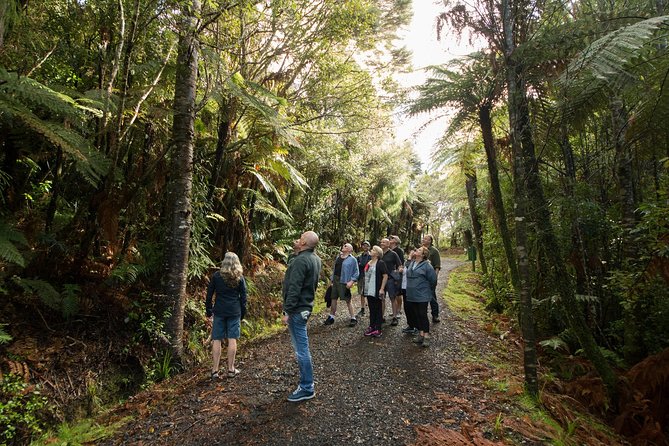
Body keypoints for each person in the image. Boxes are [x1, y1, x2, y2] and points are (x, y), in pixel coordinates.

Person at [282, 231, 322, 402]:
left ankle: (307, 387)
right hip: (305, 307)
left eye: (300, 237)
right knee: (302, 347)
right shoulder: (314, 259)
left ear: (304, 242)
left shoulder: (301, 261)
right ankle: (307, 383)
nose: (297, 239)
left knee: (301, 349)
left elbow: (294, 288)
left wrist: (287, 310)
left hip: (298, 309)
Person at [205, 252, 248, 380]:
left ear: (224, 262)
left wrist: (209, 311)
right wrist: (242, 313)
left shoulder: (217, 276)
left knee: (216, 339)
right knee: (232, 338)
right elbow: (244, 298)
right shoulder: (239, 277)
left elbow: (209, 295)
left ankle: (215, 371)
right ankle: (231, 369)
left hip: (219, 311)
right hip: (234, 311)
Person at [405, 246, 437, 347]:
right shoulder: (413, 263)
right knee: (416, 314)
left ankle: (426, 336)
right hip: (412, 294)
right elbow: (408, 272)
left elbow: (433, 280)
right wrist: (409, 258)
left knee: (422, 314)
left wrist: (427, 290)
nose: (416, 250)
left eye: (419, 250)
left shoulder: (427, 266)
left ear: (423, 255)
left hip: (422, 294)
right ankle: (421, 334)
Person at [324, 243, 360, 327]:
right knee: (333, 298)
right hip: (335, 280)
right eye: (344, 245)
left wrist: (351, 281)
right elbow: (335, 269)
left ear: (350, 250)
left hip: (344, 281)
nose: (343, 246)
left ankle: (353, 318)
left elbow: (356, 272)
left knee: (348, 300)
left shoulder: (353, 259)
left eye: (346, 246)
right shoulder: (338, 257)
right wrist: (331, 280)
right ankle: (331, 317)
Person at [362, 245, 388, 337]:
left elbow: (385, 275)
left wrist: (382, 288)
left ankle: (378, 328)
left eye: (373, 250)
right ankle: (371, 326)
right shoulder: (369, 262)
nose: (371, 251)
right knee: (371, 308)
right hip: (369, 290)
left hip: (376, 289)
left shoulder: (380, 263)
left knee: (378, 308)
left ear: (377, 253)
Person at [380, 238, 403, 326]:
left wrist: (398, 271)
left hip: (390, 279)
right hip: (381, 279)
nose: (382, 243)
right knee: (381, 298)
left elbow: (400, 265)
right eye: (381, 242)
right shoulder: (379, 254)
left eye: (384, 242)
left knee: (392, 298)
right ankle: (381, 317)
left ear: (388, 244)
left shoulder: (393, 254)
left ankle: (394, 317)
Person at [422, 234, 441, 323]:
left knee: (432, 296)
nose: (424, 240)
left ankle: (435, 315)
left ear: (430, 241)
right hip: (421, 277)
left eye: (426, 239)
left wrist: (434, 278)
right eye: (424, 238)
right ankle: (423, 315)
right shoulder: (420, 250)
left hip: (430, 277)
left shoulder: (434, 251)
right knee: (421, 296)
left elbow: (437, 266)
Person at [401, 249, 419, 335]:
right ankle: (410, 325)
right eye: (410, 252)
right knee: (407, 307)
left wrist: (409, 258)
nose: (411, 253)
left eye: (414, 252)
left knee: (412, 308)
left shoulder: (415, 263)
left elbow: (409, 271)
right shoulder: (407, 262)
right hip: (405, 287)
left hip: (412, 289)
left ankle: (416, 327)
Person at [389, 235, 405, 321]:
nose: (390, 240)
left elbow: (401, 263)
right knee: (393, 294)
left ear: (396, 241)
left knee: (398, 293)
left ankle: (399, 310)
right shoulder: (389, 250)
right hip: (390, 274)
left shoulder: (399, 251)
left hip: (397, 274)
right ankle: (394, 310)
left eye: (392, 238)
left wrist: (397, 273)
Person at [356, 241, 372, 317]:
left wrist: (362, 265)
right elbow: (358, 266)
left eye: (367, 245)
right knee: (361, 293)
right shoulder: (359, 256)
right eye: (364, 245)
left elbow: (368, 265)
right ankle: (362, 309)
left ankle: (371, 309)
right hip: (361, 276)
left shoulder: (371, 256)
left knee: (369, 293)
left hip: (369, 277)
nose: (365, 247)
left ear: (369, 247)